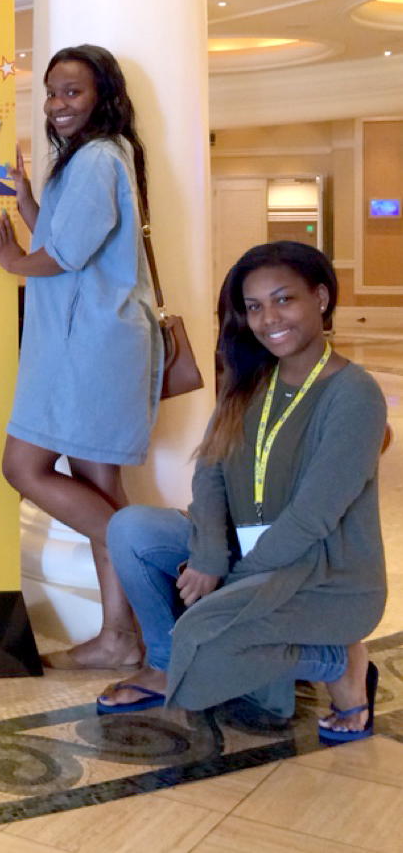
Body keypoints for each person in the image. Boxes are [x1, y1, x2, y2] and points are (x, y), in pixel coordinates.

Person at [98, 242, 387, 744]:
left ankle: (336, 660)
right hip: (241, 557)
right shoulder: (251, 377)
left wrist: (231, 582)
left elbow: (311, 519)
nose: (268, 318)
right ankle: (167, 665)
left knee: (203, 644)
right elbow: (210, 469)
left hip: (319, 574)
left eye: (284, 300)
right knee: (130, 529)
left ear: (320, 298)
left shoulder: (355, 394)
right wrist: (208, 554)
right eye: (254, 307)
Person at [0, 44, 161, 671]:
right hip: (86, 345)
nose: (58, 105)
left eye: (73, 92)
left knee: (23, 466)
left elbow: (66, 255)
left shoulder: (96, 160)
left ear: (101, 96)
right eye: (53, 93)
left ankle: (127, 587)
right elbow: (62, 236)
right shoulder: (91, 160)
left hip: (90, 349)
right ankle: (123, 635)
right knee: (101, 487)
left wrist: (12, 263)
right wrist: (28, 198)